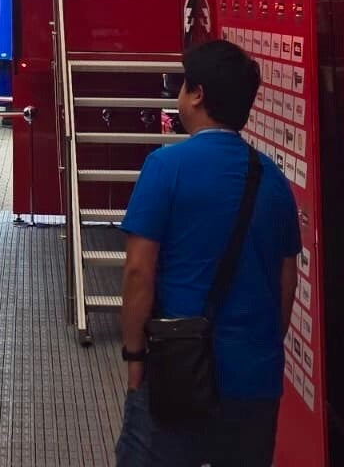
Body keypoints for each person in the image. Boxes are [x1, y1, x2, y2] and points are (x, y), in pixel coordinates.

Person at [115, 39, 300, 467]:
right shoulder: (272, 180)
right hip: (254, 379)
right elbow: (286, 280)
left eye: (183, 85)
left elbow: (139, 271)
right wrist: (259, 349)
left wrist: (135, 357)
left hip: (177, 371)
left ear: (197, 95)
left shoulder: (166, 167)